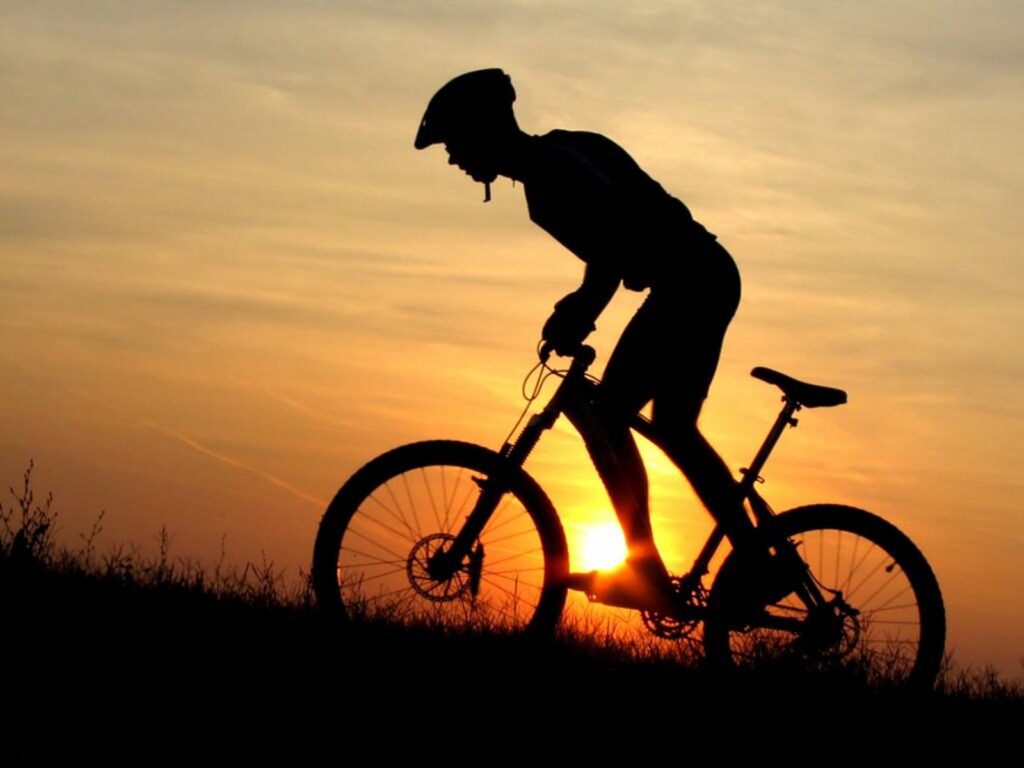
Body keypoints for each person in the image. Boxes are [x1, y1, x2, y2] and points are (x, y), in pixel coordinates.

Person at [415, 68, 754, 613]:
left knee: (614, 415)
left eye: (454, 143)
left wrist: (582, 308)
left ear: (483, 130)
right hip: (694, 278)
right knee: (669, 426)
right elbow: (614, 250)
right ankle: (751, 558)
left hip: (693, 280)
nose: (453, 158)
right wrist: (580, 307)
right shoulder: (542, 181)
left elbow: (616, 242)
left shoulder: (555, 167)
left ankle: (655, 567)